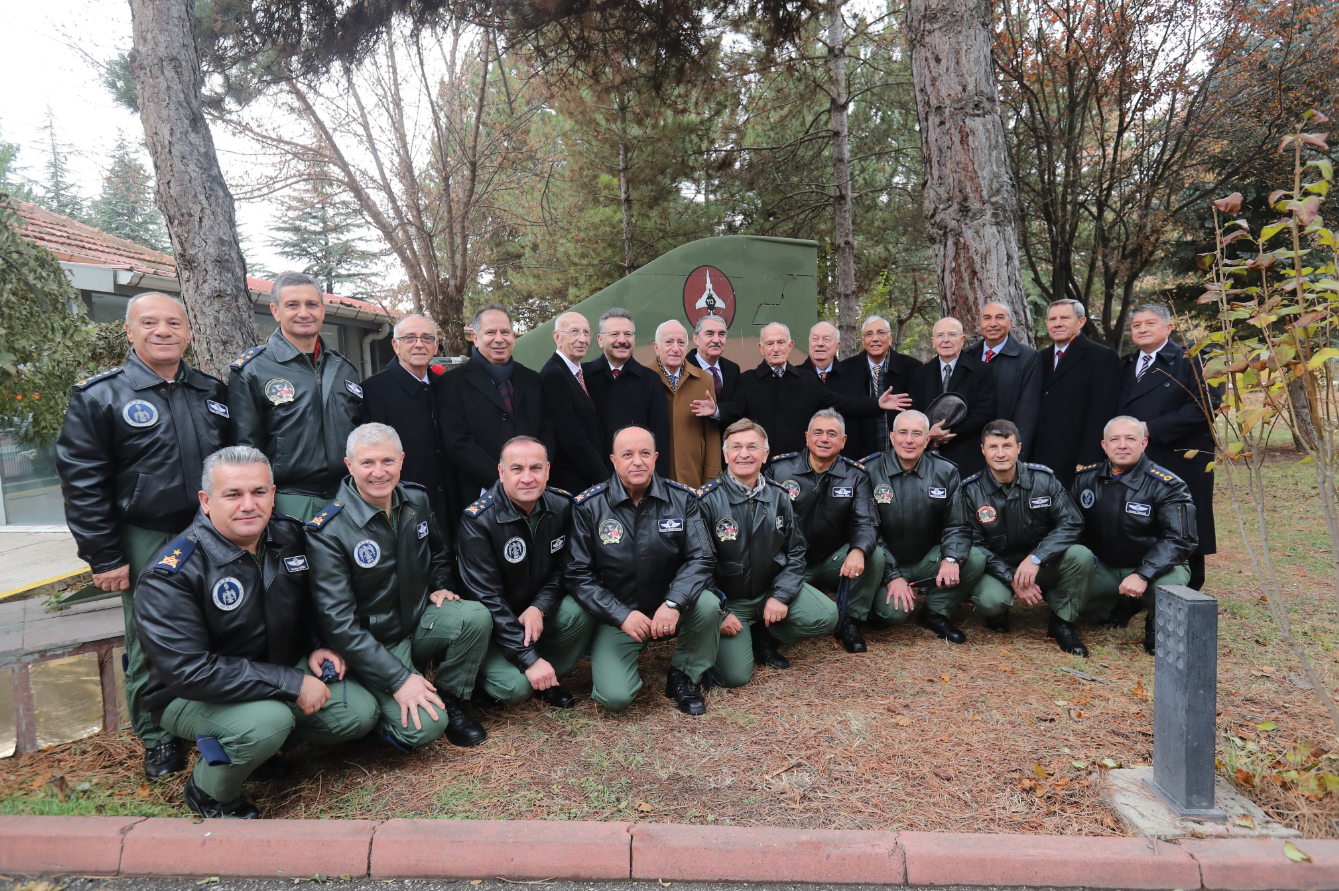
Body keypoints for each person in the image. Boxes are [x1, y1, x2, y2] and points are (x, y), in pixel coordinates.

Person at [135, 447, 377, 818]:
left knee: (358, 713)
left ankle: (261, 750)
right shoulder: (172, 574)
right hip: (185, 693)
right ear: (206, 501)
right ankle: (208, 791)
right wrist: (291, 683)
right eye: (233, 494)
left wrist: (316, 645)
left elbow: (307, 605)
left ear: (273, 493)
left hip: (272, 667)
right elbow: (189, 672)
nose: (248, 504)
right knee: (268, 723)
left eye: (259, 492)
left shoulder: (288, 535)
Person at [56, 292, 231, 781]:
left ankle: (215, 725)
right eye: (149, 322)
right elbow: (82, 481)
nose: (163, 331)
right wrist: (104, 554)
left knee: (222, 625)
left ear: (188, 332)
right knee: (153, 636)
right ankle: (157, 738)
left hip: (209, 532)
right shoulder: (100, 395)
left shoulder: (211, 392)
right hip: (145, 533)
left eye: (174, 322)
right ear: (129, 332)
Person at [306, 424, 493, 751]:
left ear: (402, 460)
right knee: (425, 729)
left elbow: (439, 552)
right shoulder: (328, 531)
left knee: (475, 615)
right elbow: (339, 625)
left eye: (388, 461)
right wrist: (398, 680)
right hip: (372, 644)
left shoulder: (415, 499)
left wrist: (441, 584)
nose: (379, 472)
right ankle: (376, 713)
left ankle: (451, 698)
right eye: (367, 463)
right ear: (349, 466)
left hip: (417, 623)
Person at [566, 426, 719, 715]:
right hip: (620, 615)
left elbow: (702, 558)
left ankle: (684, 676)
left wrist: (674, 602)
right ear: (613, 460)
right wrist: (620, 614)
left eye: (645, 453)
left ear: (656, 457)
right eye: (627, 454)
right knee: (615, 698)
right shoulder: (589, 506)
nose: (637, 461)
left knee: (709, 604)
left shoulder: (683, 499)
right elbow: (578, 574)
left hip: (672, 608)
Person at [697, 420, 839, 685]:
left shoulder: (779, 495)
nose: (744, 454)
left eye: (753, 447)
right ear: (725, 454)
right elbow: (696, 565)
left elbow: (796, 552)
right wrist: (720, 612)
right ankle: (730, 640)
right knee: (734, 677)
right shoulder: (705, 501)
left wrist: (781, 596)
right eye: (736, 447)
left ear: (764, 455)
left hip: (768, 591)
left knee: (826, 616)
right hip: (730, 601)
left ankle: (765, 635)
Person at [459, 436, 595, 709]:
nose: (527, 478)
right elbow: (488, 598)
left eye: (535, 468)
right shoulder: (477, 520)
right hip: (494, 627)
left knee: (580, 608)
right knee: (515, 690)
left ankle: (545, 676)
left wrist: (539, 606)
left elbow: (566, 569)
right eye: (517, 469)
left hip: (534, 617)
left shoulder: (563, 506)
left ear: (547, 470)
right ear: (501, 472)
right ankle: (521, 671)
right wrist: (529, 658)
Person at [228, 272, 363, 521]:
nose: (304, 313)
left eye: (311, 304)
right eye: (292, 305)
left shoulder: (343, 368)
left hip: (347, 497)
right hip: (288, 500)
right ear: (276, 311)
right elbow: (245, 449)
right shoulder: (253, 370)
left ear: (322, 310)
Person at [962, 420, 1093, 656]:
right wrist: (1012, 578)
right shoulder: (971, 490)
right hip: (997, 569)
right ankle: (999, 612)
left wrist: (1036, 557)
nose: (1000, 453)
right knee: (991, 601)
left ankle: (1062, 622)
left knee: (1080, 555)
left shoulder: (1043, 480)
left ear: (1019, 447)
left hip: (1040, 564)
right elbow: (974, 543)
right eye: (993, 447)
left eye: (1007, 446)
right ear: (983, 450)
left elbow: (1072, 522)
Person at [1072, 416, 1197, 654]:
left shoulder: (1168, 485)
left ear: (1144, 444)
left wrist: (1143, 573)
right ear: (1104, 445)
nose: (1122, 445)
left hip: (1158, 567)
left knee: (1167, 590)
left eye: (1130, 438)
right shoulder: (1085, 479)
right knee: (1068, 596)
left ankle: (1155, 625)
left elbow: (1180, 539)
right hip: (1107, 566)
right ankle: (1118, 605)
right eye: (1115, 439)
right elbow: (1073, 529)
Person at [862, 410, 987, 643]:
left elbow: (957, 524)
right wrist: (893, 575)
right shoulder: (868, 471)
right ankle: (876, 604)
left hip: (925, 560)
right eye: (903, 433)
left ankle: (935, 611)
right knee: (894, 614)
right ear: (891, 437)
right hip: (882, 565)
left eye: (917, 434)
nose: (909, 440)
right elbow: (866, 529)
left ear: (928, 439)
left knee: (975, 557)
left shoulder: (946, 471)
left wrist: (950, 559)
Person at [1117, 303, 1218, 590]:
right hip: (1135, 460)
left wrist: (1150, 428)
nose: (1142, 329)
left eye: (1150, 323)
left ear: (1169, 328)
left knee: (1184, 523)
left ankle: (1188, 588)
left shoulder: (1195, 359)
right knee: (1137, 522)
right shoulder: (1125, 365)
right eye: (1137, 325)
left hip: (1181, 457)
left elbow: (1205, 407)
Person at [766, 410, 884, 654]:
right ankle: (768, 630)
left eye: (832, 434)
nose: (824, 439)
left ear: (843, 442)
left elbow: (866, 522)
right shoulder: (780, 470)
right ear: (807, 437)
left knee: (874, 555)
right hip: (789, 563)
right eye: (818, 432)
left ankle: (849, 621)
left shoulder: (856, 475)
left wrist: (858, 550)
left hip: (832, 561)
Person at [715, 323, 906, 456]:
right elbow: (735, 408)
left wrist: (877, 403)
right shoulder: (747, 379)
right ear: (761, 348)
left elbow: (841, 403)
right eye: (770, 344)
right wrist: (716, 410)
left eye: (781, 343)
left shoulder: (805, 379)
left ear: (790, 346)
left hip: (797, 466)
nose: (775, 349)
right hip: (761, 464)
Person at [436, 304, 552, 509]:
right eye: (490, 332)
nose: (499, 339)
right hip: (479, 493)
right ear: (476, 337)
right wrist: (503, 481)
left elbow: (548, 429)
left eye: (505, 332)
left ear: (513, 337)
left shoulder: (533, 379)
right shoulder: (452, 383)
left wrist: (534, 473)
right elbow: (457, 441)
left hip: (533, 489)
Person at [359, 314, 453, 530]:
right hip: (402, 509)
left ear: (436, 345)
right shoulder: (373, 391)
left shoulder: (446, 387)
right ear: (395, 345)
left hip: (449, 506)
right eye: (409, 338)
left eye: (427, 338)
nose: (419, 344)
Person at [1033, 299, 1120, 488]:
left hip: (1076, 462)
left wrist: (1089, 460)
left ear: (1081, 322)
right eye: (1052, 319)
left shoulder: (1102, 357)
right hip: (1039, 460)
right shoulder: (1040, 357)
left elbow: (1102, 412)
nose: (1057, 323)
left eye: (1065, 318)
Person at [583, 308, 671, 477]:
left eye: (628, 334)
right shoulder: (584, 376)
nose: (622, 340)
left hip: (638, 475)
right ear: (600, 340)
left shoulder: (650, 380)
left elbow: (659, 434)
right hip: (593, 478)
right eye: (614, 334)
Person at [908, 317, 997, 476]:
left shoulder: (981, 371)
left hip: (967, 456)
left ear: (962, 340)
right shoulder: (918, 374)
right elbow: (913, 412)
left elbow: (984, 412)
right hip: (926, 458)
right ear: (933, 341)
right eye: (940, 336)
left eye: (952, 335)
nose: (946, 340)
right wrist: (928, 432)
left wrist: (947, 432)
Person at [540, 311, 607, 493]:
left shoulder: (579, 373)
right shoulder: (553, 374)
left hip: (587, 478)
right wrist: (604, 479)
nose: (582, 339)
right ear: (557, 336)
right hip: (571, 483)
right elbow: (572, 437)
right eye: (574, 332)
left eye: (586, 333)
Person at [836, 316, 920, 459]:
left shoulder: (912, 368)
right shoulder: (846, 369)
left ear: (890, 338)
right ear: (863, 341)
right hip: (858, 457)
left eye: (881, 333)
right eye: (869, 334)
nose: (875, 339)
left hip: (903, 456)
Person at [651, 320, 721, 488]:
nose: (676, 348)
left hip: (693, 477)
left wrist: (712, 477)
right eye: (669, 342)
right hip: (654, 479)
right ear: (656, 347)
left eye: (681, 342)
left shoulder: (704, 379)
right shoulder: (644, 379)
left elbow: (711, 434)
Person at [977, 303, 1041, 460]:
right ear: (980, 323)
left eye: (1000, 317)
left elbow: (1027, 413)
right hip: (972, 452)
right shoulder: (969, 356)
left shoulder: (1028, 358)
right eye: (987, 318)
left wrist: (1017, 456)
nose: (993, 324)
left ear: (1010, 323)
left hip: (1006, 453)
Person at [687, 314, 740, 403]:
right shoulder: (683, 369)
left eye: (721, 334)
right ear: (696, 339)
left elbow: (737, 406)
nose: (716, 340)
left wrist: (717, 412)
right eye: (709, 334)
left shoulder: (733, 369)